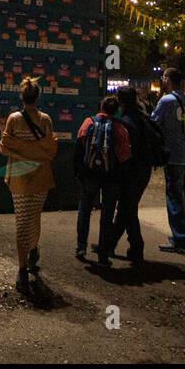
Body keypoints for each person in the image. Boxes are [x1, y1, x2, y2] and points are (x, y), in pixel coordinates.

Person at [0, 76, 58, 293]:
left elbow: (4, 147)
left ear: (22, 97)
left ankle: (22, 268)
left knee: (21, 221)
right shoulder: (46, 120)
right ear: (38, 97)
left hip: (20, 176)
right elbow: (50, 151)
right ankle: (33, 249)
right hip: (41, 176)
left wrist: (19, 149)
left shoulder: (14, 119)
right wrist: (36, 150)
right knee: (34, 216)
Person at [105, 86, 160, 267]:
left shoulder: (126, 121)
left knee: (126, 209)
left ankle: (129, 247)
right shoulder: (144, 117)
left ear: (120, 101)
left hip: (131, 170)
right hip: (144, 170)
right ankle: (128, 247)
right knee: (128, 208)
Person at [74, 95, 131, 266]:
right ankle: (103, 255)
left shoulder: (88, 123)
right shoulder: (120, 128)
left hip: (90, 175)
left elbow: (79, 148)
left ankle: (80, 247)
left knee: (85, 208)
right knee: (106, 215)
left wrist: (79, 173)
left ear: (101, 107)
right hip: (111, 178)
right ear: (117, 110)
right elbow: (124, 157)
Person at [152, 68, 185, 254]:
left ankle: (180, 239)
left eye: (163, 78)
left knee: (173, 197)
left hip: (172, 155)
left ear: (167, 79)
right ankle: (182, 233)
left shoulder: (166, 101)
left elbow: (154, 123)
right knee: (184, 196)